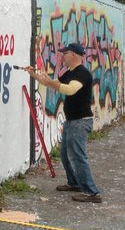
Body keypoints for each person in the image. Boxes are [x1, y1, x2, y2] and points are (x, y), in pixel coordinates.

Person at [24, 41, 102, 203]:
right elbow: (50, 83)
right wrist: (34, 75)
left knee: (78, 156)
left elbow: (69, 89)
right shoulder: (69, 72)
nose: (62, 56)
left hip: (80, 122)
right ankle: (74, 183)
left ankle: (92, 193)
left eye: (65, 53)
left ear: (74, 54)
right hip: (72, 121)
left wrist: (53, 82)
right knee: (66, 155)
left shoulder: (82, 73)